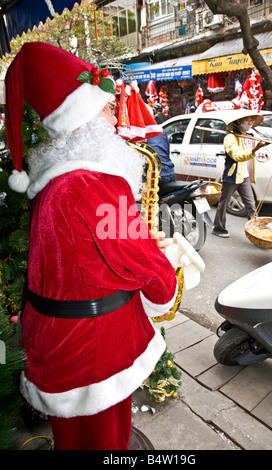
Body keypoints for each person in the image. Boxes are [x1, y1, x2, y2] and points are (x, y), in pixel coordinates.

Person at [4, 42, 178, 450]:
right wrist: (165, 284)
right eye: (103, 108)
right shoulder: (94, 181)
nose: (112, 115)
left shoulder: (56, 182)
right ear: (81, 120)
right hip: (94, 346)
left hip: (58, 339)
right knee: (103, 439)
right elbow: (137, 256)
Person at [212, 112, 268, 238]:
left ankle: (256, 231)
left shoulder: (249, 137)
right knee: (224, 203)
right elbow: (237, 156)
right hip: (232, 176)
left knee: (251, 205)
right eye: (247, 120)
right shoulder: (230, 138)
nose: (250, 123)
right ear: (238, 122)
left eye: (251, 120)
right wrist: (255, 150)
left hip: (245, 176)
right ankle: (218, 227)